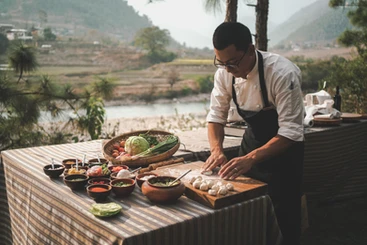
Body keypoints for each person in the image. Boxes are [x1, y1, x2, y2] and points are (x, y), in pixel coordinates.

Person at [202, 22, 305, 245]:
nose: (228, 69)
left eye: (232, 63)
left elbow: (290, 131)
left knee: (283, 219)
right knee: (247, 214)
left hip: (284, 154)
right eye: (221, 63)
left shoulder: (281, 73)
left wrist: (251, 159)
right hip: (251, 144)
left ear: (250, 50)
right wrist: (217, 150)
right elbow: (216, 117)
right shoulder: (224, 74)